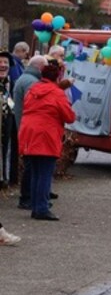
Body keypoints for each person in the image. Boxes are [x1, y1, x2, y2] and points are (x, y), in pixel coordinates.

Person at [18, 63, 74, 221]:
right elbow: (69, 116)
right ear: (58, 77)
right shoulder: (57, 93)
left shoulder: (32, 90)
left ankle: (35, 206)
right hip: (46, 134)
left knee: (35, 173)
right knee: (44, 174)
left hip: (29, 133)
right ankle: (41, 208)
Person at [12, 55, 46, 210]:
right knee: (31, 165)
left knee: (30, 164)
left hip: (24, 126)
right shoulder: (32, 82)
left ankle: (29, 196)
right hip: (29, 128)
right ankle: (26, 197)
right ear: (40, 67)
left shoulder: (25, 79)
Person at [0, 52, 17, 190]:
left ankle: (4, 178)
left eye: (6, 62)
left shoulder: (10, 83)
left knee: (6, 150)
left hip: (7, 124)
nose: (3, 65)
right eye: (0, 62)